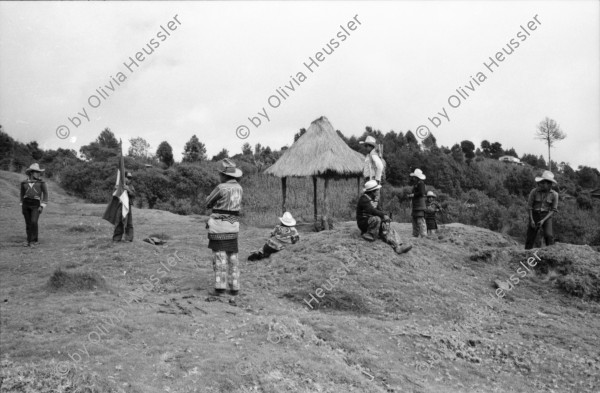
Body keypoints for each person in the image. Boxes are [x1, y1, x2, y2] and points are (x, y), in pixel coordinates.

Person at [205, 159, 243, 296]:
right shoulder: (239, 188)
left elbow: (208, 202)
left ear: (224, 176)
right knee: (233, 255)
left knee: (220, 255)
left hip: (219, 226)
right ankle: (234, 286)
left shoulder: (221, 188)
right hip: (233, 226)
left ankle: (220, 287)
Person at [356, 180, 412, 254]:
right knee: (377, 219)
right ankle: (369, 234)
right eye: (377, 190)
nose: (379, 191)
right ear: (372, 191)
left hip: (373, 222)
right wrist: (383, 216)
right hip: (364, 222)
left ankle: (398, 246)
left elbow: (379, 210)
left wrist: (384, 219)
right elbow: (372, 211)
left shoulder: (375, 199)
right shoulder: (364, 199)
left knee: (387, 228)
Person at [525, 170, 559, 249]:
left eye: (546, 183)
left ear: (550, 184)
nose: (543, 184)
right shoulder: (534, 192)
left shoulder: (555, 195)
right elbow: (529, 207)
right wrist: (532, 220)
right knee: (530, 236)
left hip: (546, 216)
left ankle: (550, 253)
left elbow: (553, 210)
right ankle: (526, 255)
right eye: (542, 182)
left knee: (548, 235)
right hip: (534, 215)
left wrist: (543, 220)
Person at [20, 163, 48, 247]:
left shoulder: (41, 182)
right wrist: (22, 204)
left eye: (39, 172)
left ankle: (33, 240)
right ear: (31, 173)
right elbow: (22, 194)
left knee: (34, 221)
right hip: (26, 203)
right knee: (28, 223)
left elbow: (46, 194)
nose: (38, 174)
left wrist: (42, 205)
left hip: (36, 204)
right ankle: (29, 240)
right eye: (36, 172)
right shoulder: (24, 182)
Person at [359, 135, 384, 204]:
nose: (365, 148)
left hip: (372, 180)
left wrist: (377, 180)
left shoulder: (373, 154)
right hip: (369, 180)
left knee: (372, 201)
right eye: (365, 146)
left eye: (367, 146)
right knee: (369, 201)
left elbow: (380, 166)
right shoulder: (369, 155)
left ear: (371, 146)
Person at [112, 172, 136, 242]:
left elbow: (134, 195)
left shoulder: (131, 186)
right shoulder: (118, 185)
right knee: (119, 221)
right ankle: (117, 238)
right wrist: (116, 189)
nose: (129, 179)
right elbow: (114, 196)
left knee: (129, 222)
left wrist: (128, 190)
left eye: (130, 178)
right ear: (124, 177)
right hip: (120, 205)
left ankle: (129, 238)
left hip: (128, 206)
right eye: (128, 177)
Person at [408, 168, 427, 238]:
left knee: (420, 220)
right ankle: (415, 234)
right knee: (415, 219)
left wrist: (413, 195)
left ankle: (423, 235)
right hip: (416, 204)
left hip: (420, 205)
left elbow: (422, 193)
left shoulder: (421, 183)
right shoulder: (417, 184)